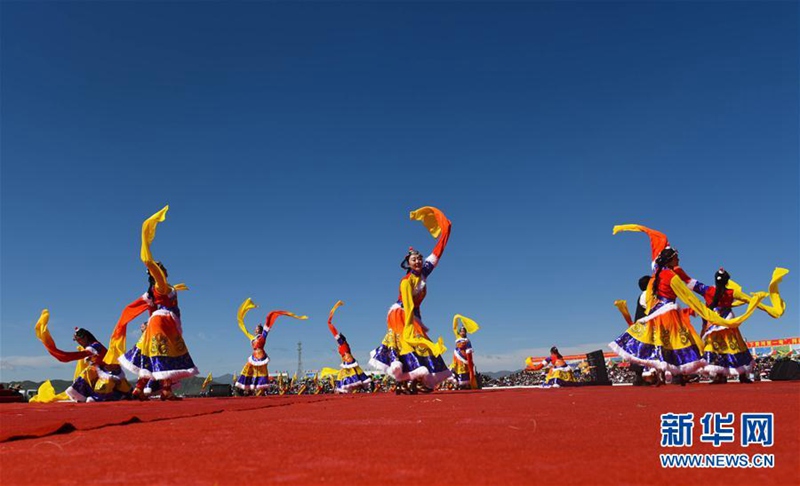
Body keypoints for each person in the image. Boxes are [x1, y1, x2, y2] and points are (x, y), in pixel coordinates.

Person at [104, 206, 199, 401]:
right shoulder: (161, 286)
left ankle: (139, 389)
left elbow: (148, 308)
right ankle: (166, 391)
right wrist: (149, 259)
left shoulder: (152, 292)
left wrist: (148, 325)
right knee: (166, 354)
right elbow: (152, 269)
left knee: (148, 355)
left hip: (155, 323)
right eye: (161, 270)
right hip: (164, 323)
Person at [369, 206, 453, 393]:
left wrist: (446, 229)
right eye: (414, 259)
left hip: (412, 314)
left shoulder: (424, 273)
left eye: (419, 258)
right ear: (408, 263)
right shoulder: (406, 282)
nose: (418, 261)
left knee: (418, 345)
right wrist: (412, 324)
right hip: (401, 313)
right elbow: (408, 305)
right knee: (409, 342)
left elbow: (438, 252)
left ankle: (413, 382)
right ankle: (406, 381)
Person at [609, 225, 706, 385]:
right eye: (676, 258)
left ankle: (656, 376)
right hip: (664, 316)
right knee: (674, 343)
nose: (679, 260)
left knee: (655, 347)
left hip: (656, 317)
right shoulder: (665, 279)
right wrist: (703, 311)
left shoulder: (655, 281)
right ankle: (674, 375)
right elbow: (688, 294)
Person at [34, 310, 131, 402]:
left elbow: (81, 355)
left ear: (85, 337)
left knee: (99, 383)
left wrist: (63, 355)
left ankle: (109, 396)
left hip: (110, 373)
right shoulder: (91, 347)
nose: (78, 342)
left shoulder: (95, 346)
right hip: (100, 371)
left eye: (79, 340)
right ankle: (83, 394)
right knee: (88, 372)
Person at [688, 268, 754, 384]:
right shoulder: (732, 292)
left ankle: (719, 375)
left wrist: (676, 271)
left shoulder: (708, 290)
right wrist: (762, 303)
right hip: (728, 322)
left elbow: (691, 282)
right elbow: (750, 300)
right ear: (727, 281)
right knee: (736, 346)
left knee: (715, 347)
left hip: (715, 322)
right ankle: (743, 374)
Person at [234, 298, 308, 395]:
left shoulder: (263, 335)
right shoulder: (252, 337)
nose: (255, 329)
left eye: (257, 328)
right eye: (255, 329)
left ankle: (262, 390)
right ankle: (244, 388)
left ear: (259, 330)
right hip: (254, 356)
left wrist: (270, 316)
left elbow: (267, 326)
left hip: (261, 356)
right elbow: (245, 331)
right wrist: (241, 320)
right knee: (247, 369)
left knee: (262, 373)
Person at [327, 301, 371, 393]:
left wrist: (329, 324)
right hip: (346, 360)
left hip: (348, 360)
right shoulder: (343, 345)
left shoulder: (342, 343)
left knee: (349, 375)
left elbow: (335, 333)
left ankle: (359, 387)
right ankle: (349, 388)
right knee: (346, 375)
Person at [449, 314, 480, 389]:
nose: (462, 332)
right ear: (459, 332)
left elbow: (469, 350)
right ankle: (456, 383)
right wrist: (456, 318)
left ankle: (466, 384)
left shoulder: (467, 340)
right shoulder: (457, 337)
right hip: (457, 356)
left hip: (464, 356)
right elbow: (454, 327)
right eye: (461, 331)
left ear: (465, 333)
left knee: (465, 369)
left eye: (464, 331)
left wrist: (468, 358)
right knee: (456, 368)